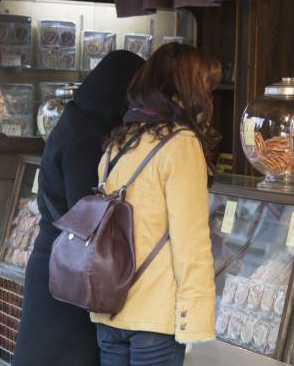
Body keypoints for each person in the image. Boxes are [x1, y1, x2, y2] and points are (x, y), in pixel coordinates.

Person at [91, 43, 221, 366]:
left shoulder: (117, 144)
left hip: (111, 311)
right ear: (186, 89)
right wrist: (196, 322)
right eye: (205, 85)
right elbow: (190, 243)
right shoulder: (181, 145)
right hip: (155, 318)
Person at [13, 50, 145, 366]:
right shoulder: (86, 139)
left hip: (55, 264)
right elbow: (86, 213)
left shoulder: (75, 123)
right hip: (68, 278)